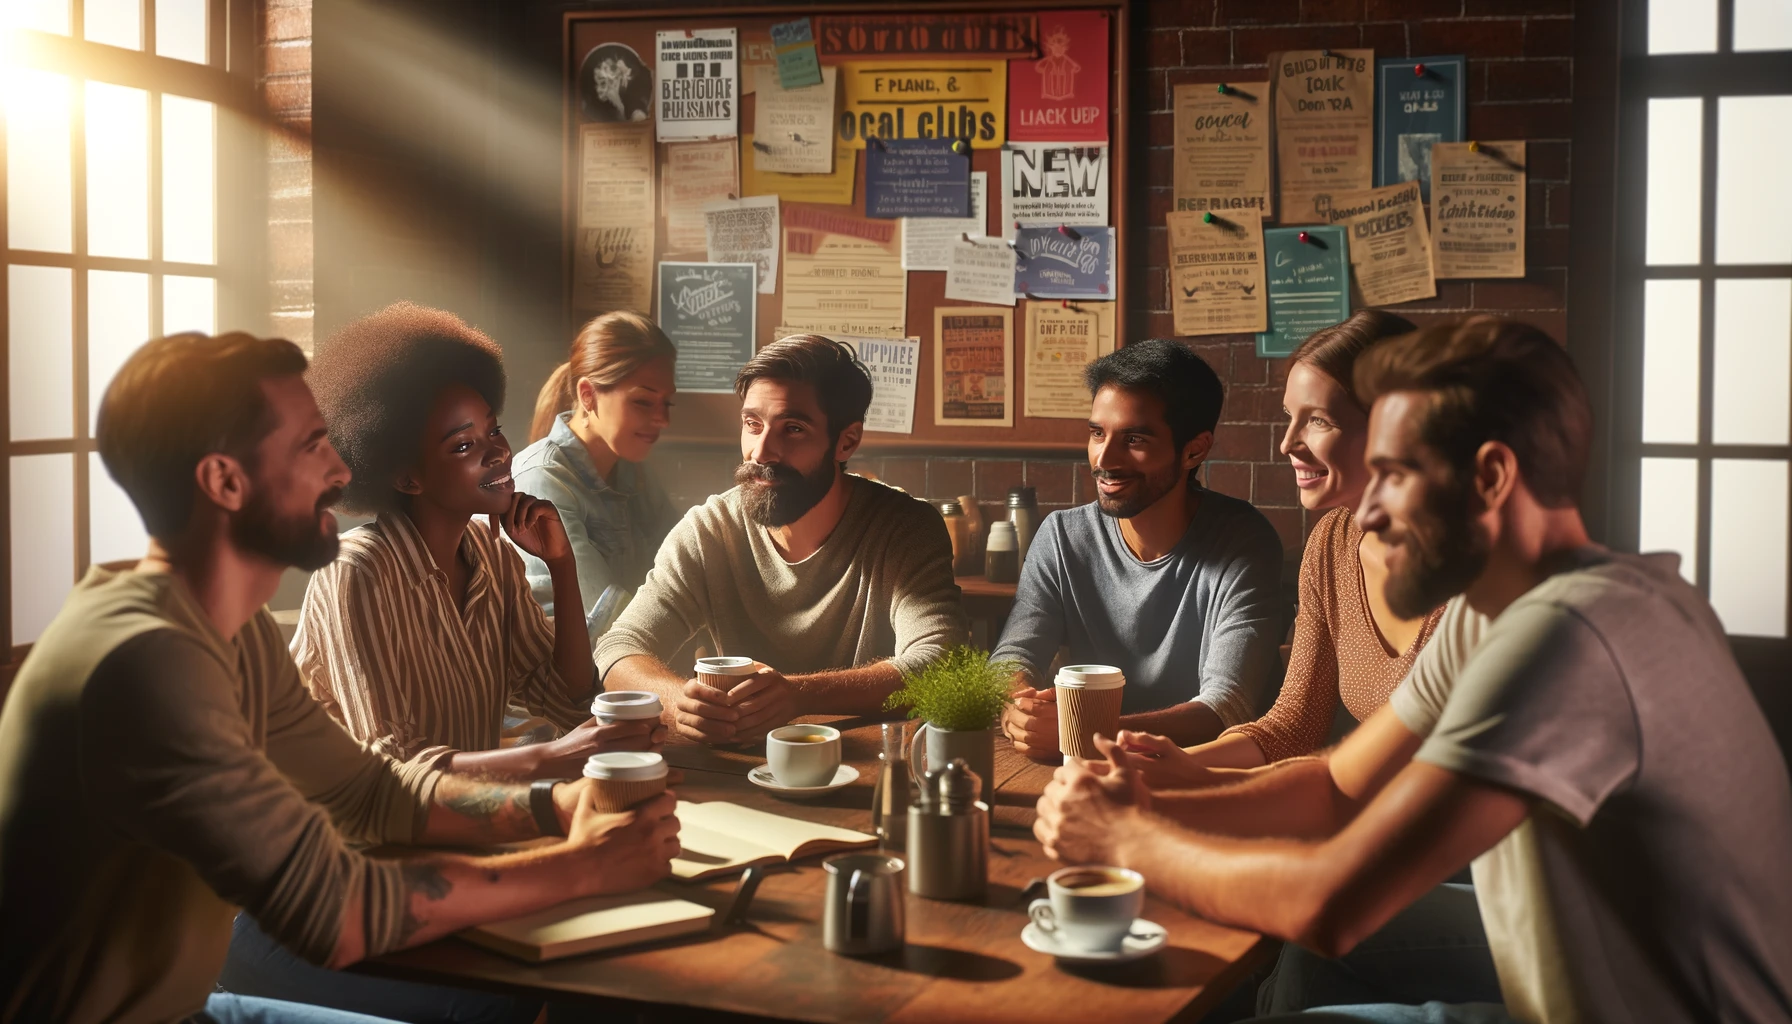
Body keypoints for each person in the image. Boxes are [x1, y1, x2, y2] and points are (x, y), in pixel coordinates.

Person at [1033, 317, 1792, 1023]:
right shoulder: (1496, 609)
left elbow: (1333, 901)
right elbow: (1335, 783)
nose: (1364, 512)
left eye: (1393, 473)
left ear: (1491, 478)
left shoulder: (1568, 637)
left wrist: (1127, 840)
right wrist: (1157, 793)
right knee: (1299, 969)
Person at [0, 332, 681, 1024]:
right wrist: (583, 865)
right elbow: (336, 909)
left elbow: (367, 789)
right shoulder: (145, 664)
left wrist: (556, 808)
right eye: (309, 446)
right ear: (224, 482)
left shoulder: (234, 633)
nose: (340, 467)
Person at [292, 302, 660, 780]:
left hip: (465, 814)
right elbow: (393, 762)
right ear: (407, 478)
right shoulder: (355, 573)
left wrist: (561, 565)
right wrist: (551, 757)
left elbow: (564, 697)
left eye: (494, 430)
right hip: (344, 834)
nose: (500, 452)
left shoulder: (493, 557)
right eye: (464, 446)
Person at [596, 335, 968, 745]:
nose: (761, 451)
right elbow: (619, 646)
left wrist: (797, 695)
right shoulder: (709, 530)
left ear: (847, 441)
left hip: (872, 765)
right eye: (752, 424)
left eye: (793, 429)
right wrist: (675, 701)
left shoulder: (904, 528)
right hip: (739, 767)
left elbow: (938, 664)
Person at [1142, 310, 1446, 774]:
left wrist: (1194, 780)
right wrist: (1173, 766)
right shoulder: (1332, 544)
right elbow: (1293, 726)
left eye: (1319, 421)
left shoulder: (1477, 568)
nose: (1288, 443)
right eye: (1290, 417)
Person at [994, 339, 1285, 758]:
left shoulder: (1243, 542)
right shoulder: (1061, 536)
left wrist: (1084, 733)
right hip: (1090, 775)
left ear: (1194, 450)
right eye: (1097, 433)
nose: (1104, 459)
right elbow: (1010, 659)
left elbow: (1226, 708)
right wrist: (1016, 708)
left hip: (1208, 775)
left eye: (1134, 439)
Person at [515, 311, 682, 643]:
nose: (662, 419)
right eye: (643, 402)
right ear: (588, 395)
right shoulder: (542, 480)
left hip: (630, 668)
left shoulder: (635, 473)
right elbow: (606, 620)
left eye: (667, 403)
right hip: (563, 684)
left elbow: (683, 576)